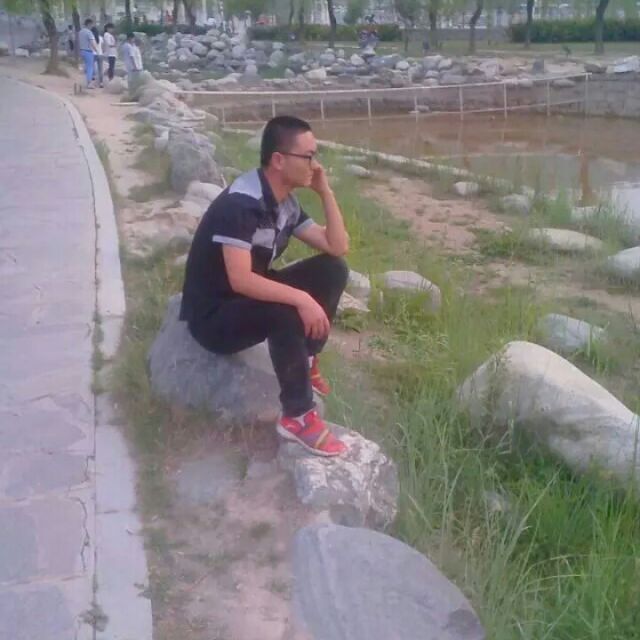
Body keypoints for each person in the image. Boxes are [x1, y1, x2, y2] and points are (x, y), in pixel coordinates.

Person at [180, 116, 350, 457]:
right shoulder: (242, 204)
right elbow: (240, 279)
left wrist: (325, 192)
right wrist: (301, 299)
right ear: (279, 160)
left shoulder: (285, 203)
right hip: (214, 317)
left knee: (333, 270)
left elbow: (336, 246)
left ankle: (307, 358)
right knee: (287, 308)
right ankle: (297, 416)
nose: (315, 165)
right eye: (309, 157)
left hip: (246, 300)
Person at [78, 18, 98, 88]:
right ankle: (89, 83)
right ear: (89, 24)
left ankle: (87, 82)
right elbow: (92, 42)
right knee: (90, 67)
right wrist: (96, 50)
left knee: (86, 67)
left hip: (82, 51)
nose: (92, 26)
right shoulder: (89, 32)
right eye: (92, 24)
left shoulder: (80, 32)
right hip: (88, 51)